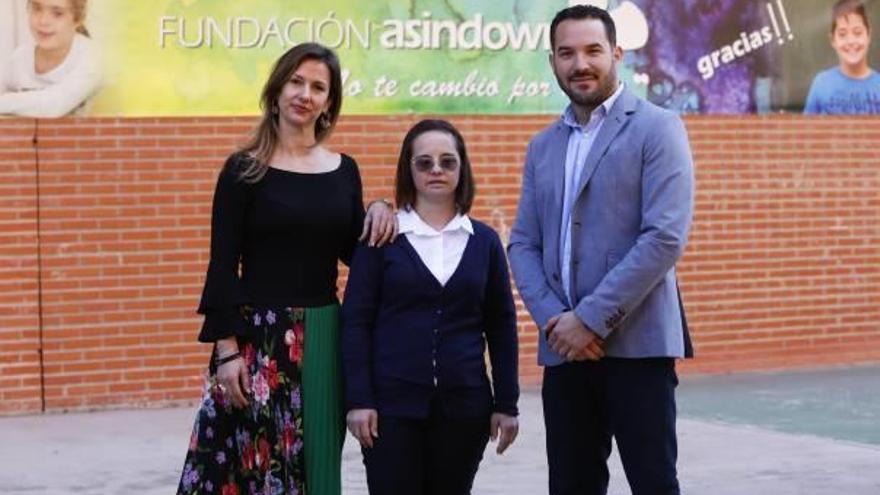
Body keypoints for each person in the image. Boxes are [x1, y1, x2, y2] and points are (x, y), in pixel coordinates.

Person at [177, 42, 397, 495]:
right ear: (276, 91)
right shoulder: (243, 169)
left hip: (323, 336)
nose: (305, 93)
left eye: (319, 86)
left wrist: (380, 207)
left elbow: (355, 250)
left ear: (329, 103)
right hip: (256, 342)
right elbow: (222, 266)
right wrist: (227, 351)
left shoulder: (344, 171)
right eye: (296, 81)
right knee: (245, 470)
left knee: (316, 472)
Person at [507, 5, 694, 495]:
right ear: (552, 62)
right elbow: (523, 243)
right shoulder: (542, 146)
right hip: (566, 354)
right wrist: (556, 321)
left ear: (617, 53)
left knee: (653, 484)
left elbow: (664, 237)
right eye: (566, 53)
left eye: (593, 50)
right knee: (570, 485)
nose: (580, 64)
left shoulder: (658, 128)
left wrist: (588, 319)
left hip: (638, 350)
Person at [341, 119, 520, 495]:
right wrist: (358, 399)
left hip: (465, 408)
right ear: (409, 169)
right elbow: (356, 322)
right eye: (424, 162)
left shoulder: (484, 242)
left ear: (461, 168)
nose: (436, 170)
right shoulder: (381, 237)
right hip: (390, 410)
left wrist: (507, 402)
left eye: (447, 161)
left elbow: (501, 325)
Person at [0, 0, 101, 118]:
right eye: (37, 9)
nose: (43, 21)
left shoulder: (93, 57)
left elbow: (54, 104)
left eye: (57, 14)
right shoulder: (20, 59)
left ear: (78, 18)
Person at [804, 0, 880, 114]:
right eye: (842, 34)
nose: (851, 41)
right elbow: (805, 129)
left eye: (857, 33)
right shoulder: (821, 83)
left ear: (868, 35)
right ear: (833, 40)